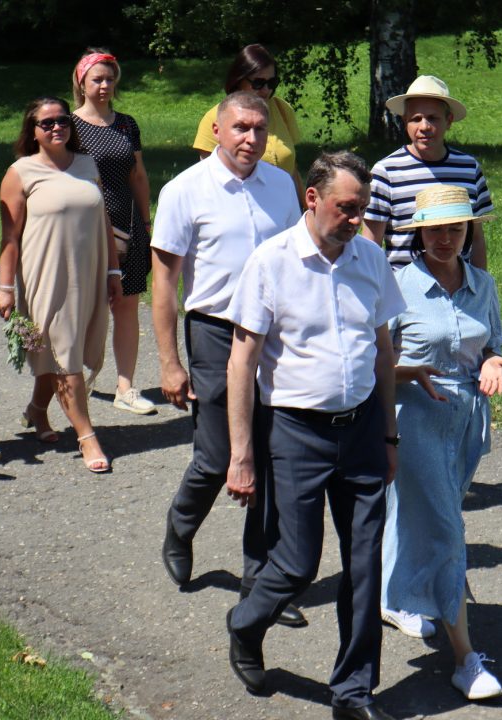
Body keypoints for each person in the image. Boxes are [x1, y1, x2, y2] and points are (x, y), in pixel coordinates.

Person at [224, 151, 405, 720]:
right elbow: (241, 363)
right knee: (297, 564)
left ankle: (353, 691)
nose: (356, 219)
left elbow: (382, 352)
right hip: (295, 433)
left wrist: (390, 436)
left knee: (364, 564)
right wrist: (241, 455)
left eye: (362, 209)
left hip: (361, 433)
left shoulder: (371, 261)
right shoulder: (271, 263)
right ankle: (246, 625)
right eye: (345, 208)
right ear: (312, 199)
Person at [151, 91, 305, 625]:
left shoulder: (282, 186)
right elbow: (165, 283)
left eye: (260, 129)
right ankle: (181, 524)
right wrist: (170, 362)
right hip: (216, 332)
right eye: (240, 127)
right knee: (219, 458)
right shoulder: (184, 192)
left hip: (275, 336)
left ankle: (258, 581)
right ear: (216, 131)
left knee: (270, 455)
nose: (250, 138)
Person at [382, 185, 502, 700]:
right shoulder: (396, 286)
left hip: (466, 423)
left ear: (468, 231)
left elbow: (493, 343)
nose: (444, 238)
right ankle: (466, 660)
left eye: (454, 229)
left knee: (425, 516)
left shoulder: (483, 284)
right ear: (418, 232)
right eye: (434, 229)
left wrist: (492, 363)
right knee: (446, 528)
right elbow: (371, 365)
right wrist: (405, 372)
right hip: (414, 416)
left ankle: (398, 597)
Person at [0, 97, 122, 473]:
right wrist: (6, 288)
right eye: (45, 123)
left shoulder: (86, 164)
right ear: (31, 131)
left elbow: (103, 220)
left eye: (62, 120)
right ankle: (86, 435)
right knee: (64, 351)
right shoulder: (20, 172)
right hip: (45, 275)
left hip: (89, 272)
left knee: (61, 348)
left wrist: (113, 272)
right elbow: (10, 238)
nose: (55, 128)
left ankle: (37, 411)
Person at [71, 49, 156, 416]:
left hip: (128, 223)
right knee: (84, 308)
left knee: (127, 305)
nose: (104, 86)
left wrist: (148, 223)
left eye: (109, 79)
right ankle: (76, 379)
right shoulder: (68, 125)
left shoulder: (127, 124)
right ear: (81, 83)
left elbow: (137, 174)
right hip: (85, 227)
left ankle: (125, 386)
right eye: (97, 79)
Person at [362, 75, 493, 270]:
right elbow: (371, 244)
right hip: (402, 291)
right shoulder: (386, 172)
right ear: (404, 121)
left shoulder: (468, 168)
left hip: (459, 289)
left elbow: (476, 239)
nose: (424, 127)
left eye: (433, 118)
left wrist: (481, 287)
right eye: (416, 119)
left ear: (448, 121)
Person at [191, 44, 306, 208]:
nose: (266, 89)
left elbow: (292, 168)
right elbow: (207, 180)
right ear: (238, 80)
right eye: (258, 83)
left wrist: (304, 208)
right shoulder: (216, 117)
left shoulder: (282, 109)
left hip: (284, 211)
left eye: (272, 82)